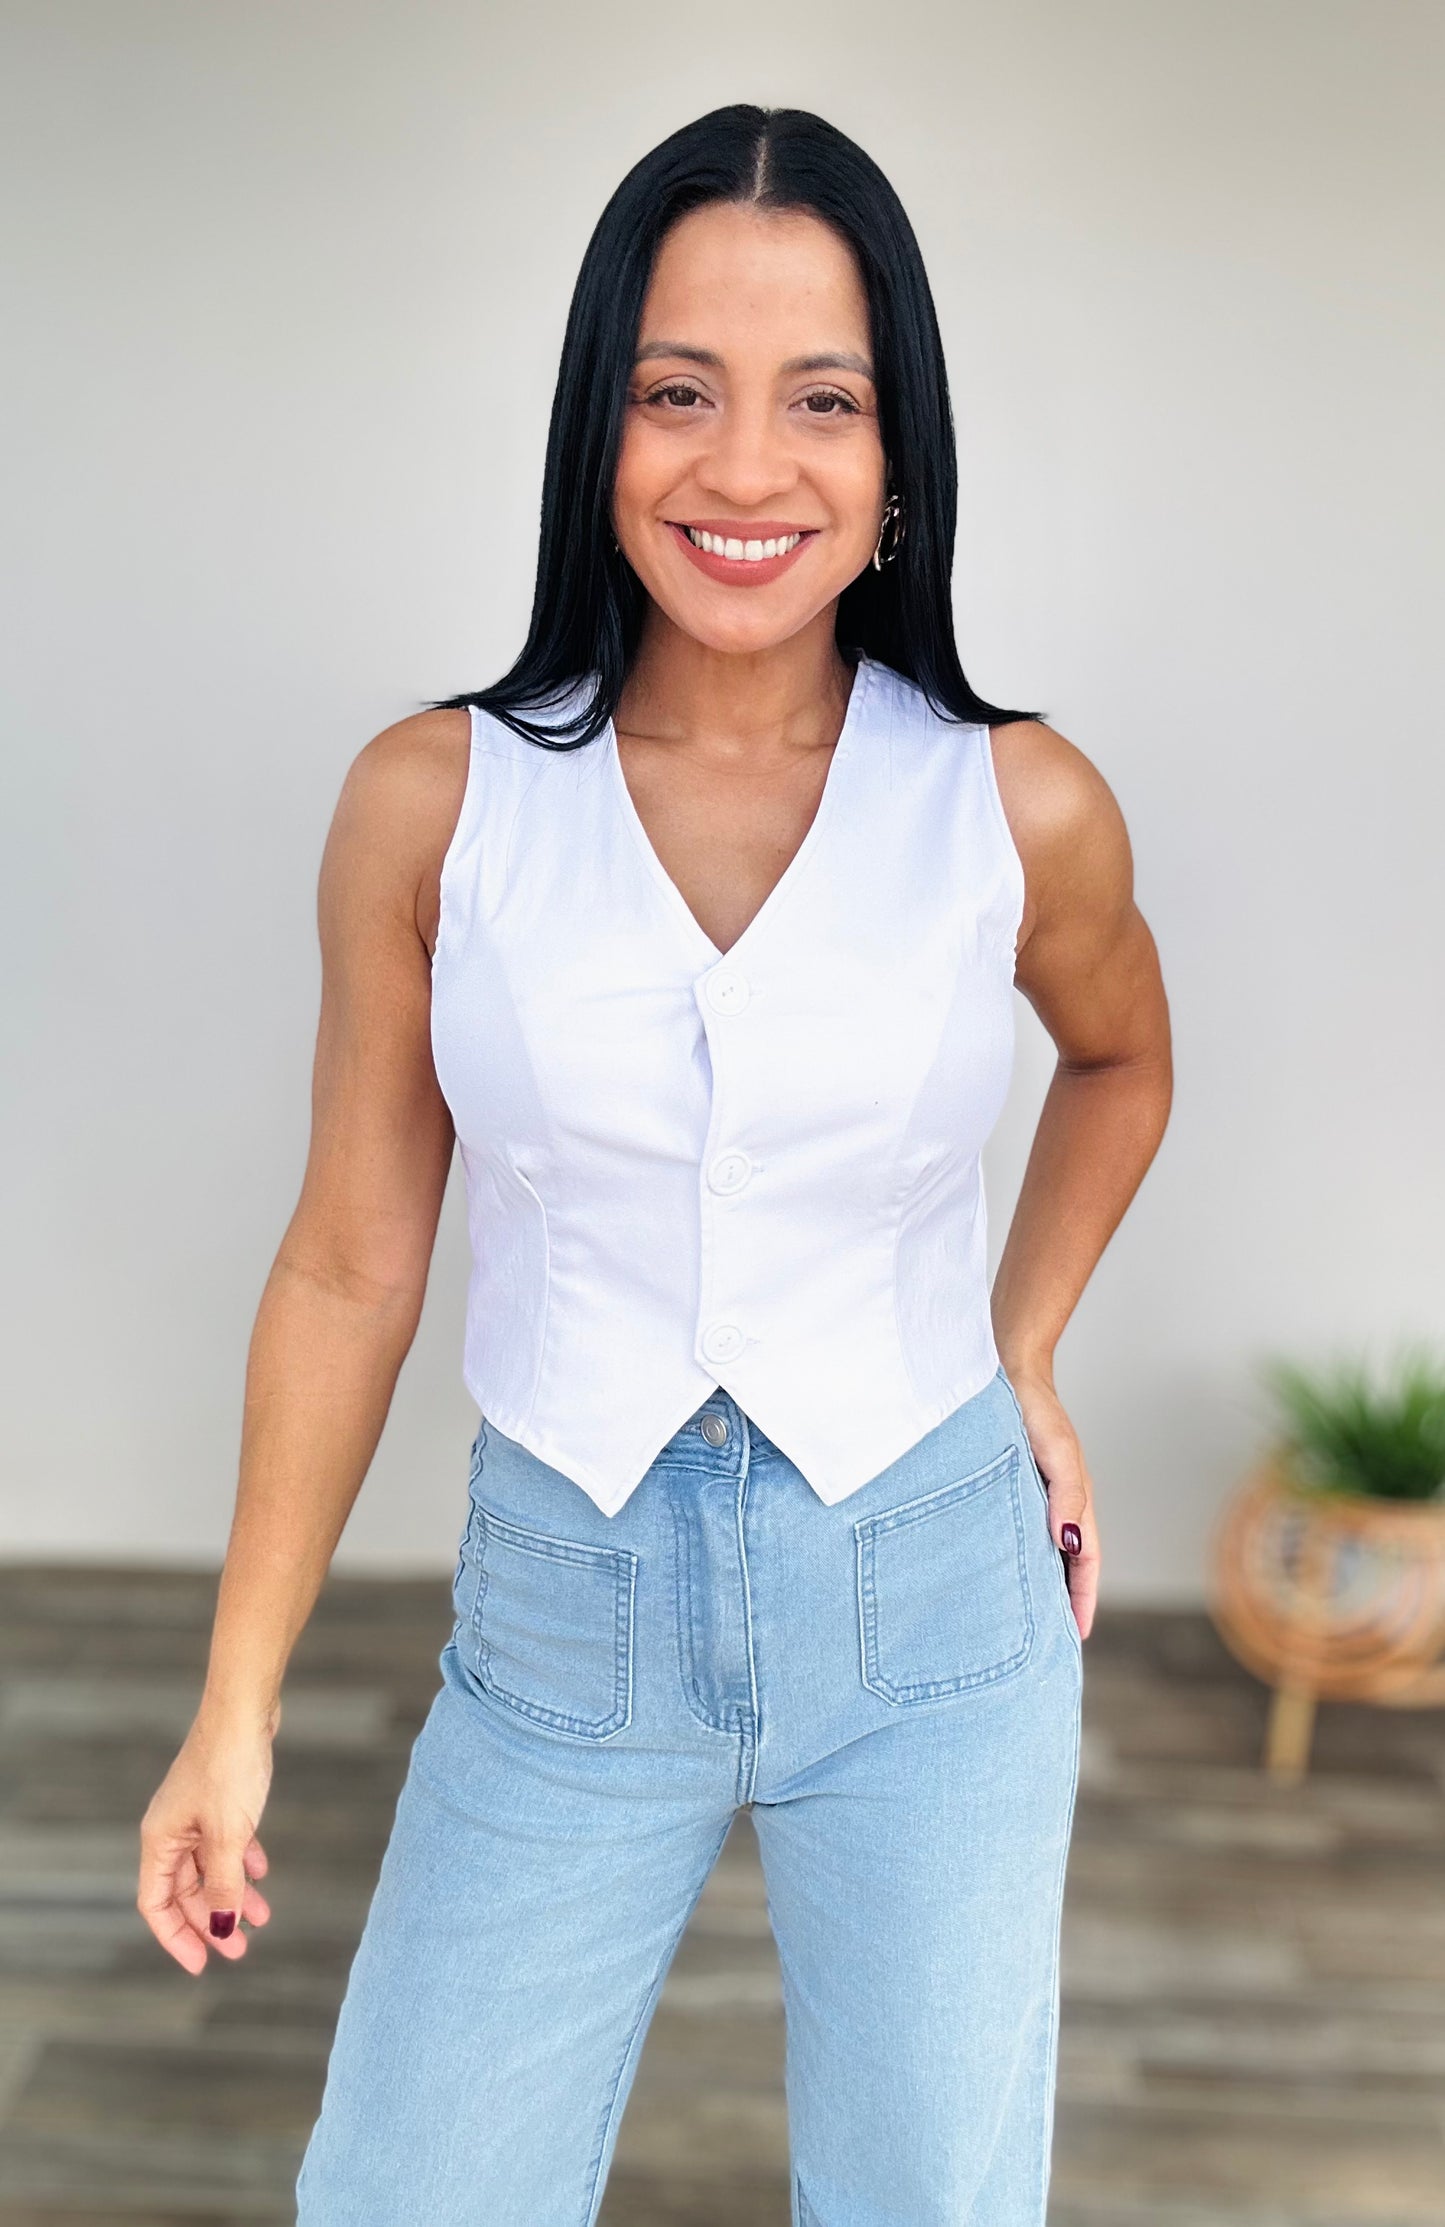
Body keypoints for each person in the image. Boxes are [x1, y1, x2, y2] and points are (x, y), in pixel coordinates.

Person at [137, 102, 1171, 2226]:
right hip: (565, 1609)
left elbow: (1125, 1062)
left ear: (899, 467)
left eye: (823, 402)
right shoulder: (432, 808)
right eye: (675, 392)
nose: (743, 468)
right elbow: (349, 1262)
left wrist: (1028, 1348)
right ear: (596, 431)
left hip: (937, 1608)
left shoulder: (1019, 807)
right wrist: (229, 1710)